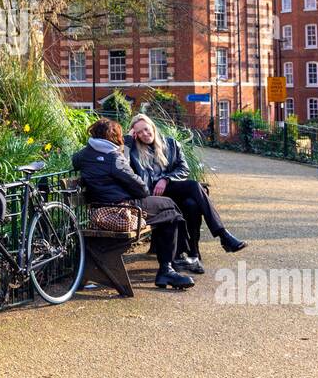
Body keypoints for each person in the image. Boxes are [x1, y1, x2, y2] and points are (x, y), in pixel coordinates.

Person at [71, 118, 195, 289]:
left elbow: (75, 161)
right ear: (114, 136)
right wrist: (126, 144)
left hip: (101, 207)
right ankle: (168, 268)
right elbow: (142, 189)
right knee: (170, 208)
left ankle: (168, 267)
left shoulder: (85, 154)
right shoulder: (114, 157)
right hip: (122, 207)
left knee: (169, 211)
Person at [126, 113, 246, 275]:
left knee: (192, 204)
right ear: (135, 134)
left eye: (146, 129)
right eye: (139, 132)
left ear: (152, 127)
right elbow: (129, 170)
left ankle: (196, 253)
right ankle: (220, 238)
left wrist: (166, 179)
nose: (144, 134)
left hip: (172, 189)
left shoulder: (171, 144)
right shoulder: (133, 150)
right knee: (194, 190)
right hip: (154, 196)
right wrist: (128, 140)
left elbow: (184, 169)